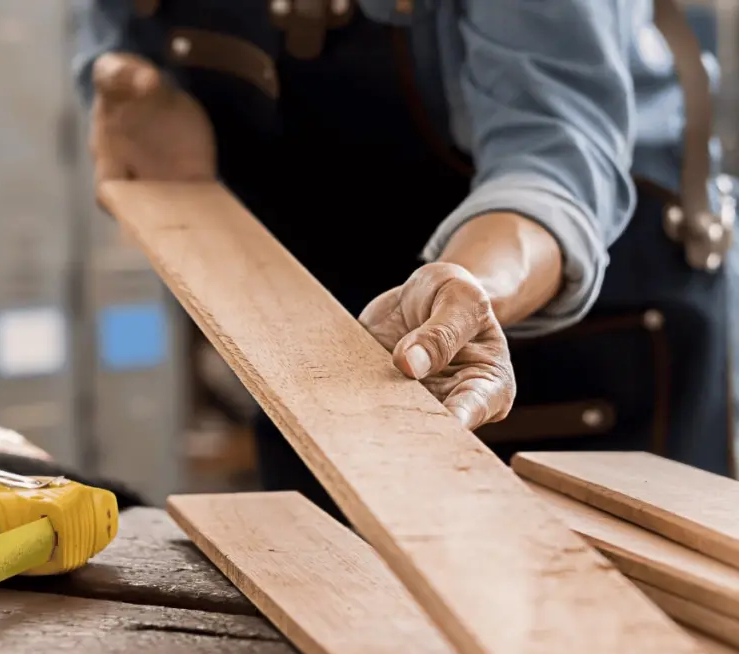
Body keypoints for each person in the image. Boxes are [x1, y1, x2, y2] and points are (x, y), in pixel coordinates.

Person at [72, 0, 736, 519]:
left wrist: (468, 287)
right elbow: (114, 31)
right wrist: (128, 81)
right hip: (330, 328)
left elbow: (552, 161)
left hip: (566, 323)